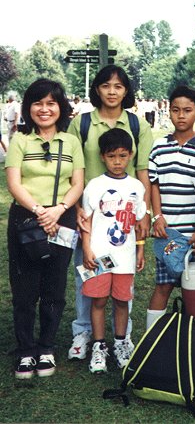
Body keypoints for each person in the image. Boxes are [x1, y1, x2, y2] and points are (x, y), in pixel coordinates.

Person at [67, 65, 153, 360]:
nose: (112, 91)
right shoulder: (81, 123)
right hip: (88, 212)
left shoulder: (137, 125)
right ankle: (83, 332)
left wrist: (145, 214)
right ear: (97, 89)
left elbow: (143, 171)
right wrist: (76, 207)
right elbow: (72, 168)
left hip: (123, 216)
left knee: (121, 281)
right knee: (87, 273)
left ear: (126, 90)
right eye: (106, 85)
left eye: (118, 86)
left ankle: (122, 337)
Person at [5, 79, 84, 379]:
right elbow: (14, 183)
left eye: (51, 103)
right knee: (24, 289)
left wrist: (59, 210)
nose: (44, 109)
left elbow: (77, 183)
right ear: (29, 107)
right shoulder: (20, 141)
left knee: (54, 286)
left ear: (61, 107)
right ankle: (25, 350)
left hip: (61, 218)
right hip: (26, 219)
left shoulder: (71, 142)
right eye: (38, 103)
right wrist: (39, 211)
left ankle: (46, 346)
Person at [81, 128, 146, 373]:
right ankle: (99, 347)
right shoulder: (94, 186)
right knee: (98, 300)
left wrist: (140, 250)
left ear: (130, 155)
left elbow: (139, 223)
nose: (117, 162)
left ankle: (120, 344)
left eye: (122, 156)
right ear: (102, 157)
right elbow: (85, 221)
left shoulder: (137, 187)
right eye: (111, 156)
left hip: (125, 257)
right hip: (99, 256)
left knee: (121, 301)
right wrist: (87, 249)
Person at [146, 85, 195, 329]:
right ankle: (151, 342)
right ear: (169, 111)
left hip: (194, 232)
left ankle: (188, 342)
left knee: (194, 289)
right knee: (162, 286)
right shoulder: (159, 146)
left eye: (187, 110)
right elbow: (154, 184)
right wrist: (157, 217)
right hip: (168, 232)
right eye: (175, 110)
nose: (181, 115)